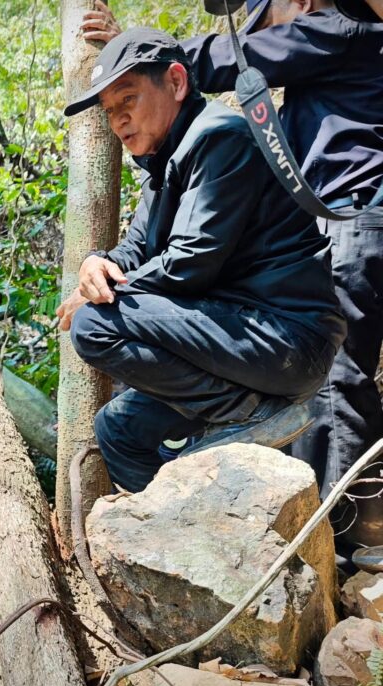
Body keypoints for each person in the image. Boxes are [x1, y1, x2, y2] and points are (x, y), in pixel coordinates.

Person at [82, 0, 383, 499]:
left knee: (339, 378)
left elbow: (238, 57)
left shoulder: (339, 27)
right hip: (332, 219)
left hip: (354, 205)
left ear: (303, 3)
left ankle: (348, 533)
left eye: (262, 12)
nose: (253, 23)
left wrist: (141, 54)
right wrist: (100, 263)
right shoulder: (171, 159)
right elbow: (143, 244)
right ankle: (192, 531)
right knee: (121, 424)